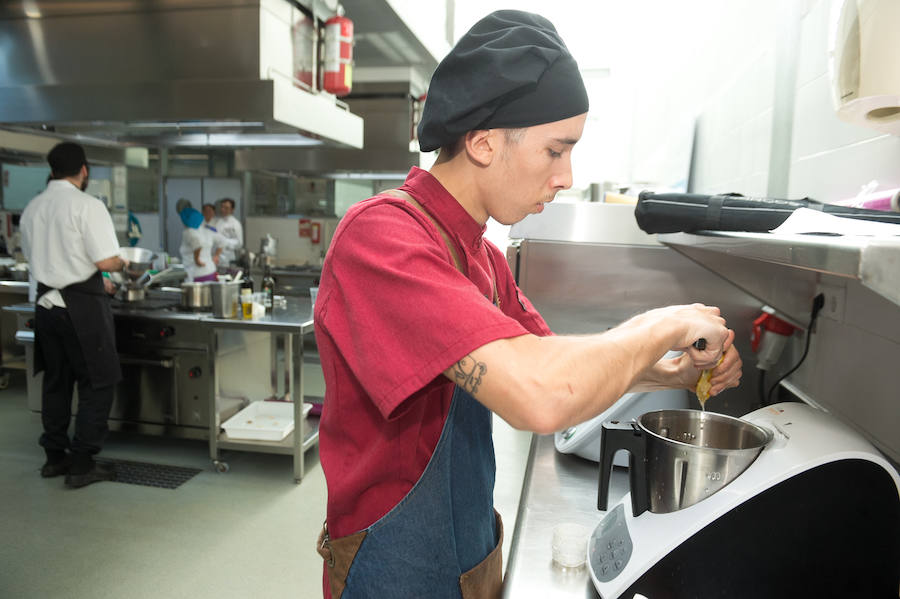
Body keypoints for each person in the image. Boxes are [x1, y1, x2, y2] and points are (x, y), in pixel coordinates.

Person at [313, 10, 743, 598]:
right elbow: (540, 397)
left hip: (465, 552)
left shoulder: (483, 259)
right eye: (555, 151)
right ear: (485, 143)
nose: (566, 176)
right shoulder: (383, 238)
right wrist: (660, 323)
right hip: (392, 566)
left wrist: (666, 366)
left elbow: (548, 362)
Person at [20, 142, 128, 489]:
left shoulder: (32, 208)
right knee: (99, 383)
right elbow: (105, 261)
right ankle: (82, 463)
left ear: (52, 171)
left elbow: (43, 259)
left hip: (46, 306)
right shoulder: (88, 206)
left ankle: (55, 458)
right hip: (81, 309)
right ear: (83, 170)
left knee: (56, 381)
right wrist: (122, 261)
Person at [178, 206, 240, 282]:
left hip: (196, 272)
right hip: (210, 270)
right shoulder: (206, 229)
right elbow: (222, 241)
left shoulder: (189, 231)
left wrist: (197, 260)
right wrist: (216, 256)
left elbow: (197, 245)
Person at [211, 197, 242, 265]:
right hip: (214, 257)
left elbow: (239, 243)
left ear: (232, 210)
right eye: (222, 207)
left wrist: (224, 242)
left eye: (226, 208)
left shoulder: (235, 224)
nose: (223, 209)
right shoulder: (217, 221)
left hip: (227, 259)